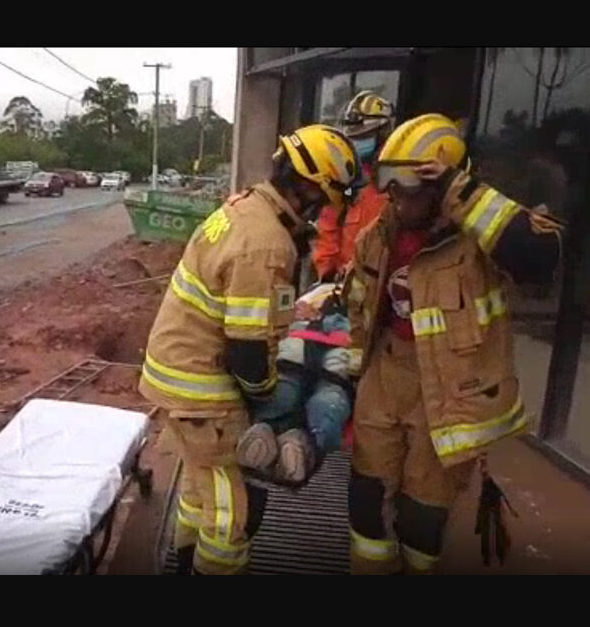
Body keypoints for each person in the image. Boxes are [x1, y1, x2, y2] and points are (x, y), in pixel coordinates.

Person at [344, 113, 563, 574]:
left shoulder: (480, 242)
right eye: (387, 179)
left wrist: (463, 196)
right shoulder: (378, 236)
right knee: (365, 504)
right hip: (385, 378)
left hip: (448, 393)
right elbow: (362, 312)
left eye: (408, 182)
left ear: (442, 183)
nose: (394, 194)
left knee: (421, 519)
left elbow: (541, 264)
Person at [139, 124, 363, 575]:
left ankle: (182, 565)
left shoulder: (244, 207)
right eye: (323, 200)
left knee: (199, 493)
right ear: (306, 188)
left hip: (175, 375)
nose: (322, 213)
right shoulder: (266, 245)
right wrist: (266, 402)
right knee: (232, 516)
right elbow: (247, 350)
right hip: (204, 389)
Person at [235, 282, 353, 484]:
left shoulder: (321, 294)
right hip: (321, 351)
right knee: (321, 404)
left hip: (313, 351)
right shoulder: (322, 292)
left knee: (321, 403)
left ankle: (278, 437)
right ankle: (291, 443)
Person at [312, 91, 394, 283]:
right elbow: (327, 230)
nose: (357, 143)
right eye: (353, 137)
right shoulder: (345, 179)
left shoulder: (400, 179)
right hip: (347, 286)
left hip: (388, 285)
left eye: (364, 136)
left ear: (384, 134)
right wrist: (327, 275)